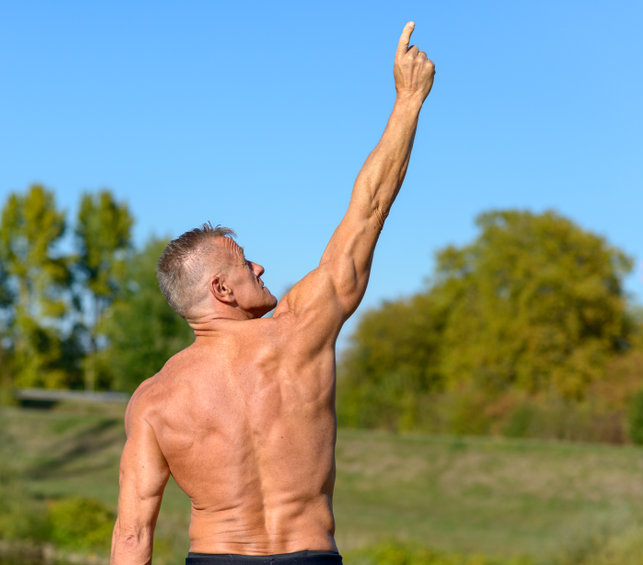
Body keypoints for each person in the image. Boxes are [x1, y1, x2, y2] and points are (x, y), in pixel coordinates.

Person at [110, 21, 435, 565]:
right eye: (243, 263)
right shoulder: (300, 330)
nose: (259, 265)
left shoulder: (155, 400)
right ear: (220, 289)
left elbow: (132, 536)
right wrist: (408, 101)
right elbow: (370, 208)